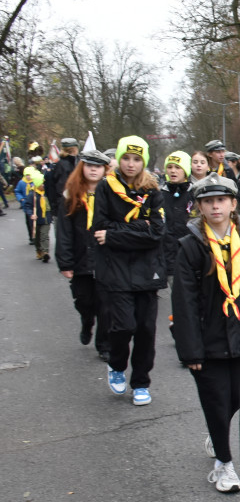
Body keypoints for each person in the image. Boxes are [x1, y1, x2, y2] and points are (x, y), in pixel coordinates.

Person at [172, 174, 240, 493]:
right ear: (199, 207)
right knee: (216, 401)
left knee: (239, 397)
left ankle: (217, 431)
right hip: (207, 339)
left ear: (233, 204)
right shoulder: (190, 246)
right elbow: (184, 300)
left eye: (221, 200)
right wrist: (190, 350)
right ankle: (224, 463)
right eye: (208, 201)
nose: (215, 206)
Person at [92, 136, 166, 407]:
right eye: (126, 158)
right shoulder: (105, 187)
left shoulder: (153, 190)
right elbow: (99, 228)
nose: (131, 164)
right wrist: (137, 228)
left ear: (143, 161)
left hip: (147, 269)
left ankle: (141, 382)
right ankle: (116, 364)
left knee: (146, 330)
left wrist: (115, 234)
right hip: (116, 269)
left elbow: (156, 232)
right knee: (124, 325)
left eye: (136, 159)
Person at [56, 149, 111, 359]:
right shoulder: (71, 195)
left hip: (105, 259)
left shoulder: (112, 194)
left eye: (98, 166)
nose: (93, 170)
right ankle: (87, 321)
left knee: (106, 305)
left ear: (105, 170)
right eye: (89, 166)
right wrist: (65, 262)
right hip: (81, 258)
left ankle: (104, 345)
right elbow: (64, 231)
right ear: (82, 168)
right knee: (84, 301)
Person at [160, 151, 194, 273]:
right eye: (169, 167)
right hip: (167, 256)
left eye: (178, 167)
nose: (173, 171)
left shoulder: (195, 194)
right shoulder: (160, 195)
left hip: (190, 255)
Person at [25, 166, 51, 262]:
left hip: (46, 219)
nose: (43, 185)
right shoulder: (32, 195)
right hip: (36, 220)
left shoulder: (47, 193)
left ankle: (45, 252)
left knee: (44, 236)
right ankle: (39, 251)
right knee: (37, 238)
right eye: (41, 183)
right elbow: (27, 206)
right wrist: (31, 214)